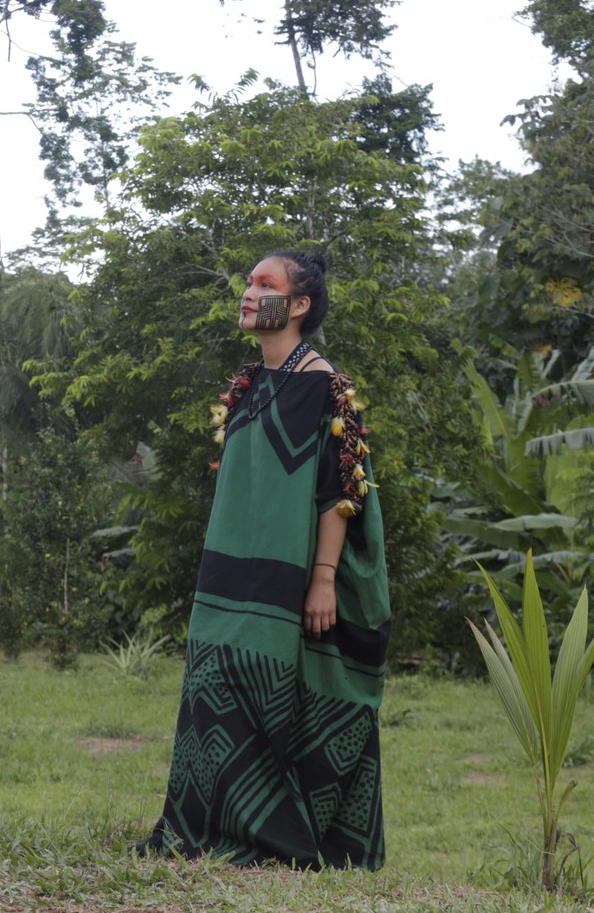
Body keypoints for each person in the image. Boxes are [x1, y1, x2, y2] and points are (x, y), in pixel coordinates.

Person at [137, 248, 390, 869]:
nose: (248, 292)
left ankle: (275, 838)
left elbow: (341, 493)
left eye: (265, 284)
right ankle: (203, 831)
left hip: (291, 576)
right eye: (249, 282)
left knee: (270, 691)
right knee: (211, 684)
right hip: (231, 570)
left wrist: (324, 580)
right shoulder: (249, 383)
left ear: (299, 305)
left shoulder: (326, 389)